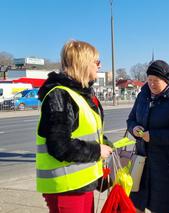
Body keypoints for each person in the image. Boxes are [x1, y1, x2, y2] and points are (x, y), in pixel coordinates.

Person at [36, 40, 113, 213]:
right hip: (66, 188)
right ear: (83, 63)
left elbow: (87, 133)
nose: (99, 66)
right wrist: (96, 150)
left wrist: (106, 144)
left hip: (81, 185)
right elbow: (59, 145)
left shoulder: (80, 93)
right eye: (97, 62)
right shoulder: (60, 95)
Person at [127, 60, 169, 213]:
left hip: (165, 167)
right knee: (136, 205)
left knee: (163, 207)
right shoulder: (143, 97)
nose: (151, 84)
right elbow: (131, 119)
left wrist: (154, 136)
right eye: (149, 80)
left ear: (166, 80)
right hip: (141, 163)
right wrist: (134, 128)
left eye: (156, 81)